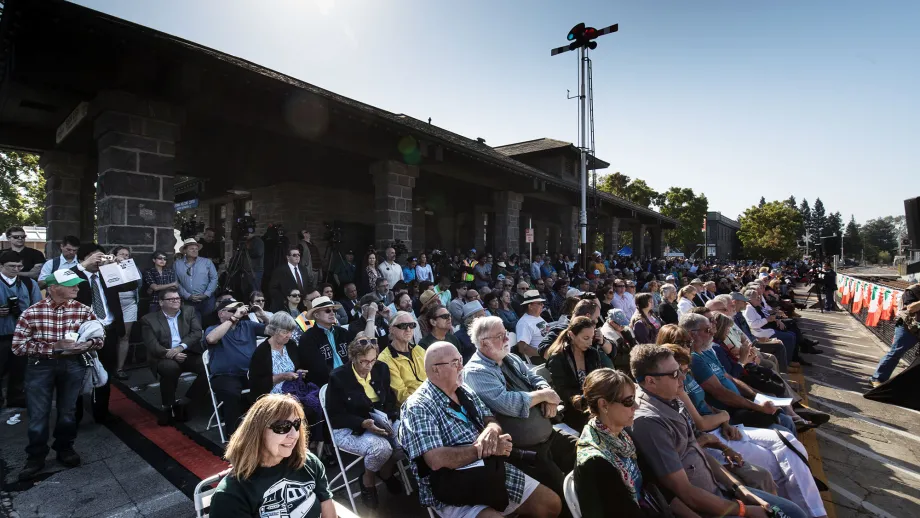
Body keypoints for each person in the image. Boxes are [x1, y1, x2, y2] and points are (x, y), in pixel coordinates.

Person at [629, 344, 808, 518]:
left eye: (682, 371)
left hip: (721, 491)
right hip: (710, 508)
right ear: (650, 381)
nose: (683, 379)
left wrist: (740, 489)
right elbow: (685, 493)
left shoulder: (671, 398)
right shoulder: (650, 423)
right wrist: (743, 510)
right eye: (675, 374)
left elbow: (697, 451)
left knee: (792, 511)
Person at [399, 342, 563, 518]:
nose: (461, 366)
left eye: (460, 360)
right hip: (450, 486)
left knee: (551, 505)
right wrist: (483, 449)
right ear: (435, 370)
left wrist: (491, 431)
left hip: (489, 469)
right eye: (454, 363)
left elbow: (490, 419)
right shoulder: (418, 406)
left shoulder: (463, 389)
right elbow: (436, 460)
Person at [463, 317, 575, 514]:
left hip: (551, 435)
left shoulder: (509, 357)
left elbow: (535, 377)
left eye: (506, 332)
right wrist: (544, 395)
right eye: (500, 336)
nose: (507, 338)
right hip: (527, 452)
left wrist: (547, 396)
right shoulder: (475, 372)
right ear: (484, 343)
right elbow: (508, 403)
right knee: (563, 492)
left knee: (587, 456)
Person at [12, 270, 103, 480]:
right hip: (40, 366)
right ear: (53, 288)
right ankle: (35, 456)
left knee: (68, 411)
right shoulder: (32, 313)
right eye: (70, 284)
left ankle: (65, 448)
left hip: (73, 365)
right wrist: (54, 348)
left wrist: (88, 344)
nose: (77, 288)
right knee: (38, 414)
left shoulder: (83, 310)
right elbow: (18, 347)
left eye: (77, 284)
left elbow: (100, 338)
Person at [573, 368, 683, 518]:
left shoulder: (623, 435)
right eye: (628, 401)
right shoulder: (596, 462)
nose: (636, 407)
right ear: (604, 405)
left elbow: (654, 484)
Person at [209, 393, 336, 518]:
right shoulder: (231, 494)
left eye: (296, 424)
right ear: (257, 432)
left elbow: (326, 502)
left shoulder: (308, 462)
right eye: (282, 427)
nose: (293, 434)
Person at [681, 313, 798, 436]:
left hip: (739, 405)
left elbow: (730, 377)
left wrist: (756, 396)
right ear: (691, 333)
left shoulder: (707, 352)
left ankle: (797, 418)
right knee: (785, 427)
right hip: (732, 413)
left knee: (782, 413)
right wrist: (757, 407)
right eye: (707, 330)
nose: (712, 332)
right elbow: (720, 392)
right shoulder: (694, 360)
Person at [327, 335, 405, 508]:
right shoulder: (339, 377)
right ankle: (367, 479)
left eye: (372, 360)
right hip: (350, 427)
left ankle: (385, 471)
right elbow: (335, 416)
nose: (368, 366)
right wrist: (363, 423)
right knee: (381, 448)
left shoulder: (381, 369)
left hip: (381, 420)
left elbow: (390, 401)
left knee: (408, 439)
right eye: (363, 361)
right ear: (353, 358)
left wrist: (389, 419)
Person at [71, 244, 138, 423]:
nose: (98, 261)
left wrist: (122, 265)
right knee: (76, 374)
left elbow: (132, 283)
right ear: (83, 259)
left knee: (105, 374)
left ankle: (102, 412)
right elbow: (56, 283)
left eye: (101, 257)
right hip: (82, 333)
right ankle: (74, 415)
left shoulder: (109, 273)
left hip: (108, 330)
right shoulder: (74, 275)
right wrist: (84, 266)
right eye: (94, 257)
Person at [140, 286, 207, 425]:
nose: (176, 301)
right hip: (163, 355)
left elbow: (196, 333)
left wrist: (180, 348)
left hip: (187, 351)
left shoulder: (188, 311)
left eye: (178, 298)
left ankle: (186, 401)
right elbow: (152, 345)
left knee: (209, 368)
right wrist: (171, 354)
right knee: (170, 369)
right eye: (171, 299)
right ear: (161, 302)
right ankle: (167, 406)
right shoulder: (148, 319)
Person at [205, 299, 267, 436]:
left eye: (239, 310)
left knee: (268, 385)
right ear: (221, 313)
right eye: (233, 310)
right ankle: (234, 436)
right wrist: (234, 318)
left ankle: (264, 429)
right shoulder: (213, 328)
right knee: (231, 393)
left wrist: (262, 315)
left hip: (249, 373)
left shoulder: (248, 325)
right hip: (225, 375)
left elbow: (274, 331)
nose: (239, 312)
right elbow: (211, 339)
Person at [545, 316, 604, 434]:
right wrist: (583, 400)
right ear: (572, 335)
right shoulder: (558, 358)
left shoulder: (592, 353)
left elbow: (599, 378)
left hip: (594, 401)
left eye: (591, 338)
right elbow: (562, 390)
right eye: (585, 338)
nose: (590, 342)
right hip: (573, 407)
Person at [0, 251, 43, 409]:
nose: (16, 269)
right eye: (12, 266)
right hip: (1, 335)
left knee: (20, 369)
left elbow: (38, 307)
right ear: (1, 266)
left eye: (19, 266)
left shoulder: (28, 283)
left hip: (22, 333)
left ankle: (16, 397)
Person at [249, 312, 311, 399]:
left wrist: (299, 372)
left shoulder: (291, 345)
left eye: (290, 332)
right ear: (274, 331)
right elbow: (257, 383)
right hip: (270, 398)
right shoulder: (262, 351)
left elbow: (298, 365)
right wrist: (282, 377)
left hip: (293, 392)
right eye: (285, 332)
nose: (289, 336)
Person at [870, 283, 920, 386]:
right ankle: (877, 378)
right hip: (907, 327)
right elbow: (911, 308)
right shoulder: (912, 290)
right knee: (896, 352)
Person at [379, 311, 427, 403]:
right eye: (403, 326)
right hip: (413, 406)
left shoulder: (419, 350)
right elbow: (401, 395)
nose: (408, 329)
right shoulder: (385, 359)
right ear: (391, 329)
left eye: (412, 325)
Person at [110, 246, 140, 380]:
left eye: (127, 255)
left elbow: (138, 283)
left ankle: (120, 368)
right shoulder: (108, 267)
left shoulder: (131, 267)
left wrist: (127, 267)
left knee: (125, 336)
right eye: (121, 254)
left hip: (130, 304)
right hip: (113, 304)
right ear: (114, 255)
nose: (124, 257)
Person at [175, 238, 219, 320]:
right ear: (184, 251)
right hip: (188, 301)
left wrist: (206, 294)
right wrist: (187, 296)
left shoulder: (207, 262)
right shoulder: (177, 264)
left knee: (208, 322)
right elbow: (176, 282)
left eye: (196, 249)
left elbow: (214, 278)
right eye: (191, 249)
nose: (195, 250)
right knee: (194, 324)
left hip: (207, 300)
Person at [269, 246, 314, 312]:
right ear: (288, 257)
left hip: (303, 305)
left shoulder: (303, 269)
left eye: (299, 254)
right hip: (287, 306)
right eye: (294, 255)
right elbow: (273, 289)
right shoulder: (280, 270)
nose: (297, 256)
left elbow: (308, 285)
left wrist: (312, 293)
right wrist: (285, 300)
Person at [515, 290, 549, 361]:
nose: (542, 305)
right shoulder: (524, 323)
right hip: (540, 358)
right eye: (540, 303)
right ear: (530, 306)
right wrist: (544, 353)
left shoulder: (537, 317)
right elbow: (522, 348)